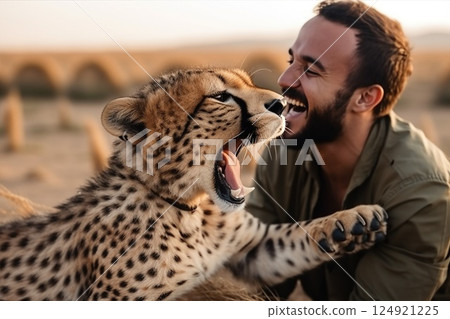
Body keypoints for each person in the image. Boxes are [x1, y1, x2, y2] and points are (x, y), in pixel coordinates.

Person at [246, 0, 450, 301]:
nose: (285, 79)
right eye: (292, 60)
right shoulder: (286, 150)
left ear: (366, 98)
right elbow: (251, 276)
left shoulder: (422, 194)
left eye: (311, 70)